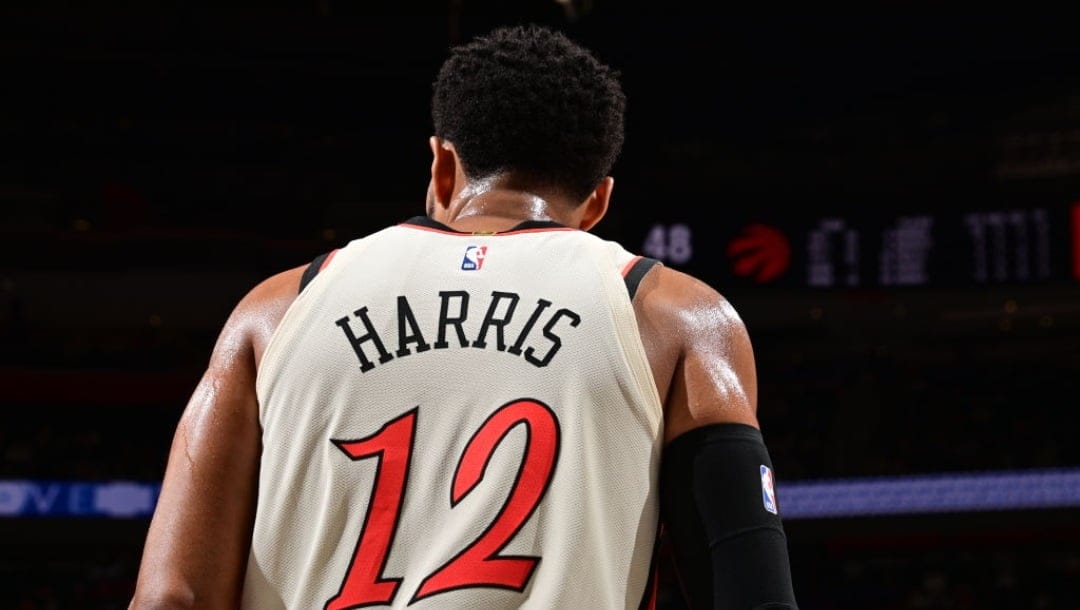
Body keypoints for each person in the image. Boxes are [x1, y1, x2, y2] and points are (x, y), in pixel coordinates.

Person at [128, 23, 798, 610]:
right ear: (597, 201)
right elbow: (754, 592)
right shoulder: (679, 316)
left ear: (441, 167)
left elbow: (171, 595)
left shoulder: (276, 309)